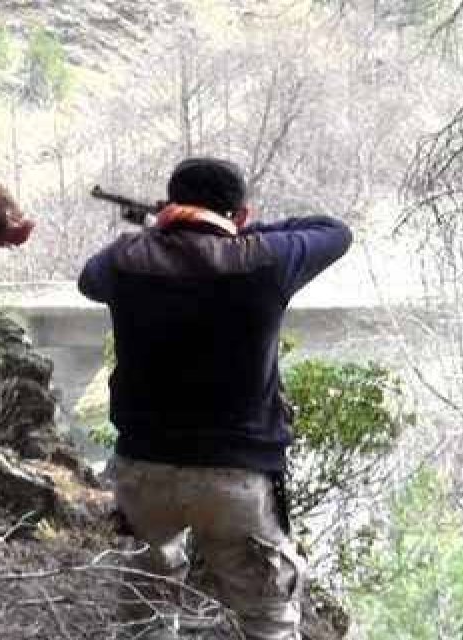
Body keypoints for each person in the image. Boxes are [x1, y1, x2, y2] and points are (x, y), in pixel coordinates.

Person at [77, 157, 352, 639]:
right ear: (239, 216)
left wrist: (166, 228)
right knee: (265, 621)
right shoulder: (267, 260)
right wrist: (243, 230)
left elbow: (90, 278)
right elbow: (334, 231)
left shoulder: (127, 258)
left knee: (145, 615)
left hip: (143, 471)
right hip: (236, 478)